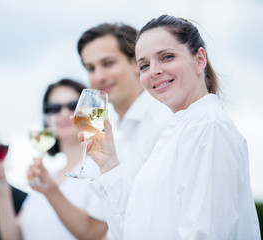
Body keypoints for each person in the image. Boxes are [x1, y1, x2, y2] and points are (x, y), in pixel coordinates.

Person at [80, 15, 261, 239]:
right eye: (144, 65)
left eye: (166, 57)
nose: (154, 71)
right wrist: (108, 163)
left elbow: (205, 233)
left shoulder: (208, 128)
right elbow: (135, 229)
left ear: (199, 59)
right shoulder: (181, 128)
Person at [77, 23, 172, 238]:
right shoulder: (113, 132)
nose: (98, 76)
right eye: (90, 68)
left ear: (135, 63)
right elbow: (104, 226)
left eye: (108, 63)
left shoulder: (163, 121)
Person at [21, 79, 107, 239]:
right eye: (54, 108)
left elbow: (96, 234)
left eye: (73, 106)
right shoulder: (48, 175)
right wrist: (2, 193)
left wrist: (51, 191)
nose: (64, 114)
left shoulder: (101, 169)